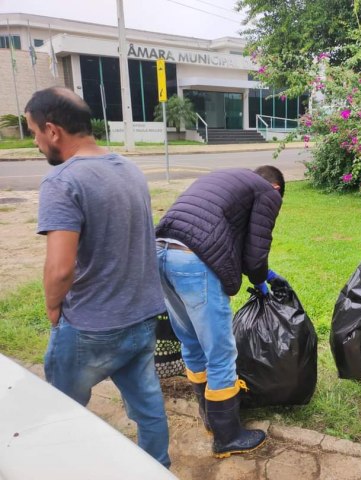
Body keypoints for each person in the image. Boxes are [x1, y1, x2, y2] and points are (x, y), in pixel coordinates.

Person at [27, 87, 171, 467]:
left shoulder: (62, 181)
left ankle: (69, 470)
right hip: (141, 317)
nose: (36, 144)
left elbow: (60, 267)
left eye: (34, 134)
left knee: (61, 411)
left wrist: (53, 308)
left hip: (91, 325)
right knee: (148, 407)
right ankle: (158, 468)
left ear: (53, 130)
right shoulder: (130, 170)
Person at [155, 166, 285, 458]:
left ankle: (211, 419)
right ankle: (228, 436)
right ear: (276, 189)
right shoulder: (268, 193)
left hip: (160, 252)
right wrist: (261, 279)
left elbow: (221, 235)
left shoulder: (228, 179)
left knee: (191, 343)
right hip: (192, 263)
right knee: (221, 352)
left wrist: (261, 273)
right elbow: (254, 255)